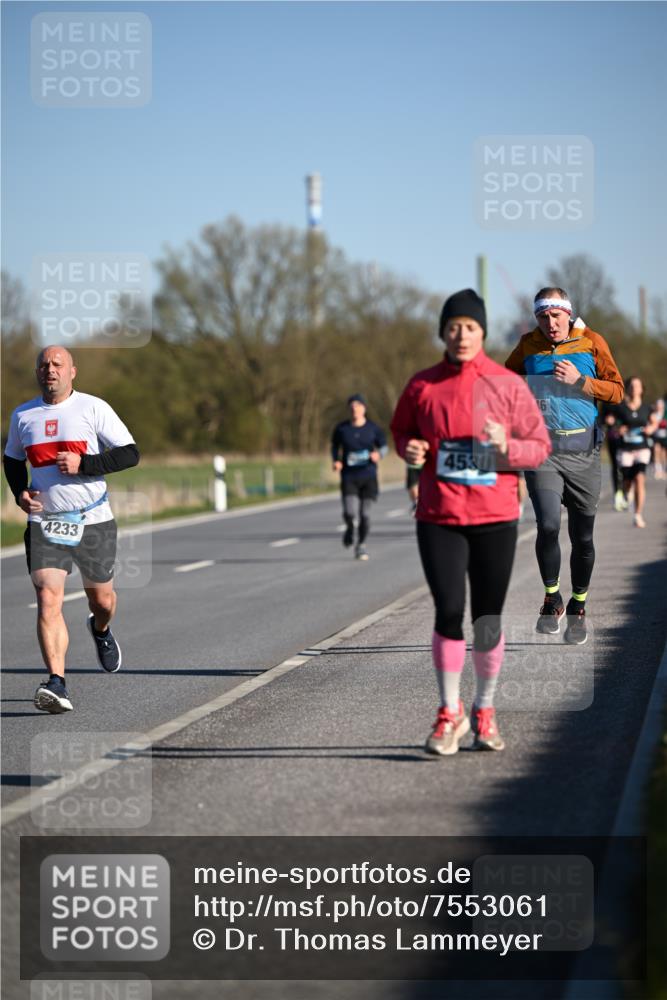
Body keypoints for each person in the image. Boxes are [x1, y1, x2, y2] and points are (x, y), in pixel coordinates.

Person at [392, 289, 551, 756]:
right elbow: (402, 430)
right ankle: (449, 712)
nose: (461, 335)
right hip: (439, 515)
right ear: (443, 332)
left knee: (486, 619)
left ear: (482, 333)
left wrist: (506, 448)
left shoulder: (506, 383)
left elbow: (538, 446)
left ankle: (484, 710)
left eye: (471, 327)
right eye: (453, 327)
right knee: (446, 610)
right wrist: (410, 449)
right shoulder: (422, 385)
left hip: (494, 517)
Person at [3, 345, 139, 713]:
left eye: (57, 364)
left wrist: (86, 463)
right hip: (45, 521)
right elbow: (12, 459)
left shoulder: (93, 408)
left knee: (103, 601)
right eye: (44, 365)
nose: (50, 370)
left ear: (72, 372)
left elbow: (130, 453)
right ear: (37, 372)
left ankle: (101, 630)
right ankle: (57, 683)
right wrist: (20, 494)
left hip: (93, 519)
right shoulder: (23, 416)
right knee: (48, 598)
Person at [505, 287, 624, 645]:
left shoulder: (591, 341)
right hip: (541, 450)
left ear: (567, 314)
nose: (550, 323)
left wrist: (580, 381)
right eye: (543, 316)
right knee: (548, 524)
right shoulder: (527, 345)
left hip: (583, 451)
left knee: (582, 537)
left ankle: (579, 604)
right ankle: (552, 597)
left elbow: (616, 391)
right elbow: (503, 383)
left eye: (556, 315)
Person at [331, 394, 387, 560]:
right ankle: (349, 528)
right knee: (349, 512)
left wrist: (379, 455)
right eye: (352, 406)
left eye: (358, 406)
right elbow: (335, 447)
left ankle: (361, 545)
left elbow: (384, 447)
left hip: (368, 476)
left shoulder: (373, 428)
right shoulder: (342, 429)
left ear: (364, 408)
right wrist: (336, 461)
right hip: (349, 476)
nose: (355, 409)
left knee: (365, 514)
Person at [615, 376, 659, 528]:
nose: (635, 389)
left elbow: (654, 423)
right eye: (632, 386)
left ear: (642, 389)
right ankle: (629, 491)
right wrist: (619, 429)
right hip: (626, 448)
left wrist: (650, 429)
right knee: (627, 481)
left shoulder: (647, 408)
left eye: (638, 386)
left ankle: (638, 514)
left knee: (640, 479)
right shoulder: (621, 408)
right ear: (628, 388)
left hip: (642, 447)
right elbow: (613, 425)